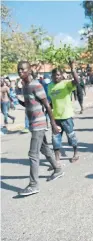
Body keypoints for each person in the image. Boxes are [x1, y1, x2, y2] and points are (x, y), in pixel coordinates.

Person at [16, 61, 64, 196]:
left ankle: (33, 184)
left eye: (23, 70)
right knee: (44, 148)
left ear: (29, 71)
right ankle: (57, 169)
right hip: (33, 124)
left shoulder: (36, 85)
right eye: (19, 70)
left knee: (33, 154)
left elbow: (47, 105)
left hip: (39, 123)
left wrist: (54, 125)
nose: (20, 72)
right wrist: (19, 101)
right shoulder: (25, 86)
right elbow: (29, 104)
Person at [48, 60, 80, 164]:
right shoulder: (49, 86)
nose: (55, 77)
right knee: (55, 138)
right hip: (55, 117)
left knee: (71, 135)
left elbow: (77, 81)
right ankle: (57, 159)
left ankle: (75, 153)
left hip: (66, 116)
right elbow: (52, 100)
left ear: (62, 75)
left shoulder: (66, 84)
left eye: (58, 75)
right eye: (54, 75)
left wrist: (72, 68)